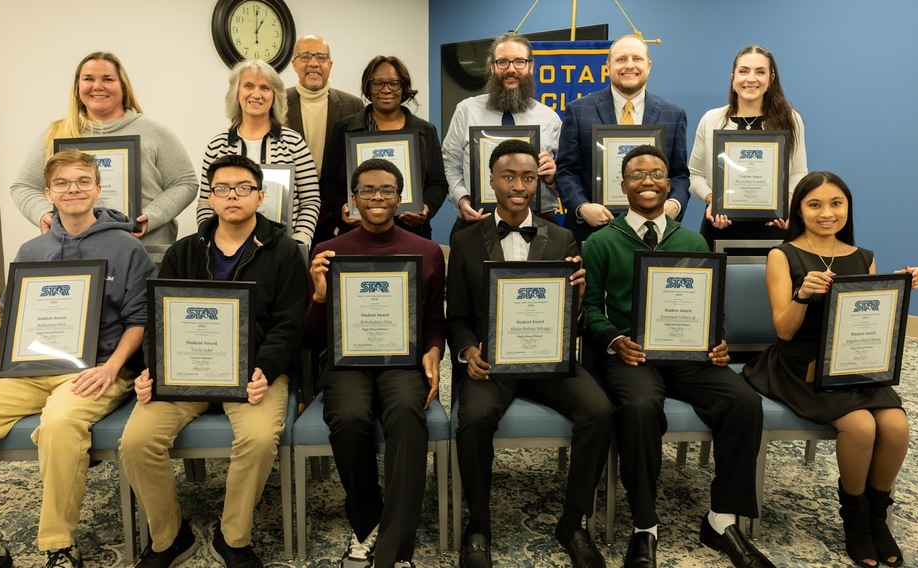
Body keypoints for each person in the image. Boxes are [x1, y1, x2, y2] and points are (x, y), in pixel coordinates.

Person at [0, 149, 156, 568]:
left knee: (59, 422)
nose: (72, 190)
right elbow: (11, 323)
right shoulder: (30, 249)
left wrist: (113, 368)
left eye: (81, 181)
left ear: (97, 188)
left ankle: (59, 543)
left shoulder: (127, 249)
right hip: (29, 370)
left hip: (97, 369)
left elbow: (140, 320)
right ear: (48, 193)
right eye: (62, 183)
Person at [581, 145, 774, 568]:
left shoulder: (692, 240)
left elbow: (711, 303)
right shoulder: (601, 242)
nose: (647, 180)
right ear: (622, 185)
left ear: (669, 185)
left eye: (656, 174)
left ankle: (722, 518)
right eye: (636, 174)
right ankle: (644, 526)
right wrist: (615, 340)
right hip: (632, 355)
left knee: (744, 402)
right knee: (639, 406)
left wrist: (716, 340)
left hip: (690, 355)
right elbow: (590, 310)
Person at [120, 155, 306, 568]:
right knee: (135, 442)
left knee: (258, 440)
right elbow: (157, 318)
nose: (232, 196)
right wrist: (153, 368)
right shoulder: (184, 250)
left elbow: (289, 325)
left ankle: (233, 539)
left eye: (243, 188)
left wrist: (267, 371)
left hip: (253, 372)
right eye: (222, 188)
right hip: (185, 372)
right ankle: (169, 536)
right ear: (210, 196)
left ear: (260, 196)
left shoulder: (286, 253)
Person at [742, 171, 918, 568]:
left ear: (848, 207)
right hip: (800, 365)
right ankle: (856, 521)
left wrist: (901, 289)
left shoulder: (864, 256)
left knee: (896, 426)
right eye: (815, 204)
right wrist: (803, 294)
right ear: (799, 210)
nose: (827, 213)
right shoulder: (782, 255)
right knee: (860, 426)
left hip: (853, 363)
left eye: (836, 203)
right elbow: (785, 331)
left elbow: (875, 325)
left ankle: (878, 517)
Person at [446, 139, 613, 568]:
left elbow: (573, 322)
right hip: (492, 361)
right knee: (475, 418)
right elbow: (458, 315)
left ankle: (573, 522)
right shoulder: (465, 241)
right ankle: (478, 524)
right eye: (508, 177)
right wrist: (467, 352)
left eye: (527, 177)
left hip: (548, 358)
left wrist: (577, 298)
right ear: (491, 181)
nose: (518, 186)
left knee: (599, 410)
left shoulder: (561, 236)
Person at [305, 159, 445, 568]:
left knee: (405, 411)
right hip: (347, 362)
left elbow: (435, 320)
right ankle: (367, 523)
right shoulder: (327, 252)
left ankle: (395, 547)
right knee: (348, 416)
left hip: (403, 361)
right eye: (367, 190)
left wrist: (434, 351)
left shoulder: (428, 251)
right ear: (354, 199)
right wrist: (318, 296)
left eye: (386, 189)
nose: (378, 197)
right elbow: (312, 338)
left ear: (401, 197)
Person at [10, 52, 198, 263]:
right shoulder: (57, 134)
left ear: (123, 86)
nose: (97, 86)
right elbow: (23, 186)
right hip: (75, 256)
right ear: (77, 87)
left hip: (146, 254)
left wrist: (151, 216)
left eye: (107, 79)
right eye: (88, 79)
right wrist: (44, 214)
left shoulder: (153, 131)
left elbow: (185, 182)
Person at [556, 35, 689, 244]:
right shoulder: (579, 110)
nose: (629, 65)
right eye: (621, 59)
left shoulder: (673, 114)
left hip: (655, 232)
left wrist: (674, 204)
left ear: (649, 65)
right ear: (608, 66)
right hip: (594, 232)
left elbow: (680, 173)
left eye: (637, 59)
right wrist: (582, 207)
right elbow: (565, 170)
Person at [688, 45, 808, 251]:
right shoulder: (711, 120)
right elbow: (694, 174)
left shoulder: (790, 119)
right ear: (732, 77)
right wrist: (712, 201)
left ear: (770, 79)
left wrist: (787, 201)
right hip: (720, 225)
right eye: (744, 71)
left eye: (760, 72)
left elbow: (799, 172)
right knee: (720, 283)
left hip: (774, 225)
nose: (751, 79)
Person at [442, 32, 562, 238]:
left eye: (519, 62)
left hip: (537, 226)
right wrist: (462, 199)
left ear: (531, 67)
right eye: (503, 62)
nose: (511, 69)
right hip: (476, 224)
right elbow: (450, 164)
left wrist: (552, 177)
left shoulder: (550, 118)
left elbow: (567, 176)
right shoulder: (466, 110)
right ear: (492, 67)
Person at [317, 56, 448, 244]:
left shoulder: (425, 131)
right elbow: (329, 181)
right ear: (368, 88)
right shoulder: (344, 129)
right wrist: (342, 208)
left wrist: (426, 207)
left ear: (403, 88)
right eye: (377, 83)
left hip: (411, 231)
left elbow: (438, 183)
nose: (386, 90)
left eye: (394, 83)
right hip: (357, 231)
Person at [196, 59, 321, 249]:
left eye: (265, 88)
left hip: (281, 250)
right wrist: (210, 239)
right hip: (227, 249)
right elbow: (206, 202)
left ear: (274, 97)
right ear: (236, 93)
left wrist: (298, 243)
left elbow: (311, 200)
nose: (256, 94)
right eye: (248, 86)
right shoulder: (217, 146)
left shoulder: (294, 143)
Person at [285, 34, 365, 177]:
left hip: (338, 198)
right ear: (294, 64)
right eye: (305, 56)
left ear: (330, 64)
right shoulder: (277, 103)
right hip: (293, 195)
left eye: (321, 57)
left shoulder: (353, 106)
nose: (314, 63)